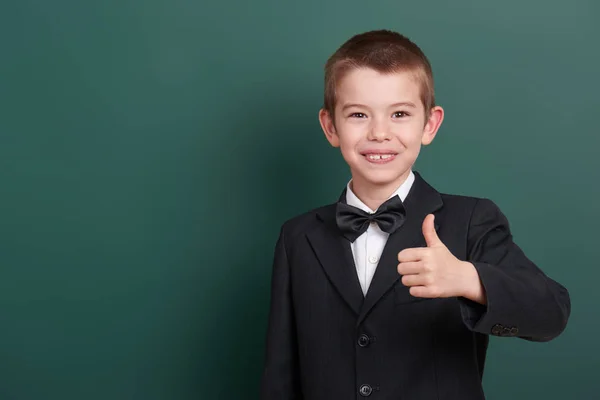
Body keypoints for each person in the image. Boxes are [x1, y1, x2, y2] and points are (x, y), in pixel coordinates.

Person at [260, 29, 570, 400]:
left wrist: (469, 279)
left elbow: (551, 313)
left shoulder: (472, 220)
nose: (379, 133)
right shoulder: (298, 237)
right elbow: (281, 375)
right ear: (331, 127)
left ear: (429, 124)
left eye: (400, 114)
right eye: (358, 114)